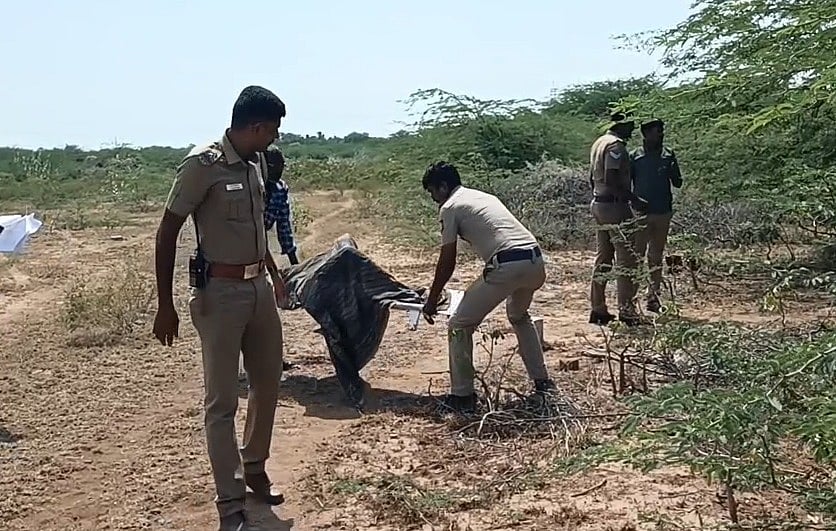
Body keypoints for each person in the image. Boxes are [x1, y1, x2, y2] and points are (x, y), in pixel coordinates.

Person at [152, 85, 288, 531]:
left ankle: (254, 466)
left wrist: (274, 273)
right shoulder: (202, 165)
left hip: (259, 289)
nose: (275, 138)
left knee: (269, 384)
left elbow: (254, 229)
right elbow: (167, 229)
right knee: (222, 402)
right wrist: (165, 304)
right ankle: (230, 504)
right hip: (219, 295)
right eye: (273, 130)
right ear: (255, 126)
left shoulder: (257, 165)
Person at [421, 161, 556, 413]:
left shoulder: (450, 207)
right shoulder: (481, 196)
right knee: (518, 315)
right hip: (535, 262)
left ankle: (462, 397)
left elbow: (447, 260)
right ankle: (543, 382)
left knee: (459, 325)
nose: (433, 200)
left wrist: (433, 297)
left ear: (443, 186)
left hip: (508, 266)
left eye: (432, 192)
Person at [587, 112, 647, 327]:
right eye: (630, 124)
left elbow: (591, 177)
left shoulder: (599, 142)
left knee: (603, 257)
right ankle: (627, 311)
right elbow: (612, 177)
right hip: (614, 206)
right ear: (622, 124)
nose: (632, 128)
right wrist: (634, 199)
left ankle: (598, 308)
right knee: (626, 259)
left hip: (599, 203)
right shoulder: (616, 146)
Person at [630, 118, 683, 312]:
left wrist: (670, 169)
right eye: (655, 131)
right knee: (636, 257)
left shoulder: (668, 155)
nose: (660, 135)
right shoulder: (635, 156)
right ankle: (631, 298)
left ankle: (653, 297)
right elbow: (627, 183)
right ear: (645, 134)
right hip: (641, 213)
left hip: (662, 211)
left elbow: (678, 182)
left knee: (655, 256)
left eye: (661, 131)